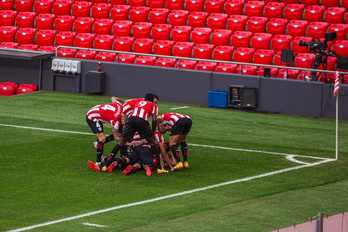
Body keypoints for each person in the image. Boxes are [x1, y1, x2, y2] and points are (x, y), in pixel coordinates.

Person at [104, 93, 168, 174]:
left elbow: (129, 104)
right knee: (152, 143)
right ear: (152, 99)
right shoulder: (153, 106)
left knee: (121, 142)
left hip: (131, 119)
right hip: (142, 121)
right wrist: (152, 131)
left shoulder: (139, 101)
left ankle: (106, 165)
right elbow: (154, 119)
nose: (155, 103)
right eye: (155, 101)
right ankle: (159, 168)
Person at [86, 101, 123, 172]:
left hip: (97, 111)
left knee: (118, 134)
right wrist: (124, 141)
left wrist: (123, 101)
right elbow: (116, 138)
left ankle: (98, 145)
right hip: (92, 117)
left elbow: (113, 98)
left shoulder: (120, 106)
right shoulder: (115, 120)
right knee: (102, 138)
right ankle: (98, 163)